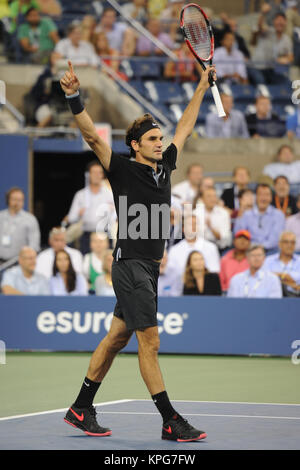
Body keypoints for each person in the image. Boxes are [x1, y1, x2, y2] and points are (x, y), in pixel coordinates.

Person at [59, 59, 215, 440]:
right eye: (152, 140)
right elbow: (93, 137)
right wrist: (73, 97)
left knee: (116, 338)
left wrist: (201, 86)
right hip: (129, 265)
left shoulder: (165, 167)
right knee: (151, 341)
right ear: (135, 145)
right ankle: (169, 419)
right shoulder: (122, 169)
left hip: (149, 268)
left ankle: (80, 408)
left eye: (161, 140)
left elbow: (185, 126)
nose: (160, 143)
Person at [66, 160, 115, 255]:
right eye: (94, 172)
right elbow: (71, 218)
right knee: (86, 263)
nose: (97, 175)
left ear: (102, 175)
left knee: (106, 264)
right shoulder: (80, 195)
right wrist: (78, 214)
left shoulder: (109, 194)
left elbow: (117, 216)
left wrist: (112, 213)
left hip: (104, 234)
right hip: (86, 235)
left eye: (99, 172)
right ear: (88, 175)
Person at [167, 214, 221, 296]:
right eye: (189, 224)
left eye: (195, 224)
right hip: (181, 292)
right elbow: (171, 275)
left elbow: (214, 271)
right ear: (183, 228)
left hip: (208, 293)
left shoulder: (211, 247)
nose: (193, 227)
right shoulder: (174, 250)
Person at [234, 183, 286, 252]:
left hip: (271, 251)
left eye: (267, 195)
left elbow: (275, 240)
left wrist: (258, 248)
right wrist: (241, 211)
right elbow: (238, 235)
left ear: (271, 197)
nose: (263, 198)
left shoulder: (279, 215)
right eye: (260, 194)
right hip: (249, 251)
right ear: (255, 197)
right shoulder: (246, 214)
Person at [249, 9, 293, 85]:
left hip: (271, 69)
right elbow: (259, 27)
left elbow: (290, 56)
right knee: (261, 82)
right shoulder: (268, 31)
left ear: (286, 22)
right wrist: (263, 14)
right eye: (278, 20)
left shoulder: (287, 39)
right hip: (256, 67)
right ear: (273, 22)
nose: (280, 22)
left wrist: (284, 59)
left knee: (287, 83)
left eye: (282, 20)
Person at [0, 187, 40, 263]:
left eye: (20, 200)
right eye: (14, 199)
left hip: (19, 263)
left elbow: (34, 245)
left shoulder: (30, 219)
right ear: (8, 200)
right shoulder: (1, 216)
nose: (17, 203)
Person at [264, 231, 300, 295]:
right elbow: (265, 280)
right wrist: (290, 282)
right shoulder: (268, 261)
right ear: (280, 244)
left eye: (292, 242)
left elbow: (293, 278)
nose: (289, 245)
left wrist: (278, 276)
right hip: (272, 297)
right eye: (286, 242)